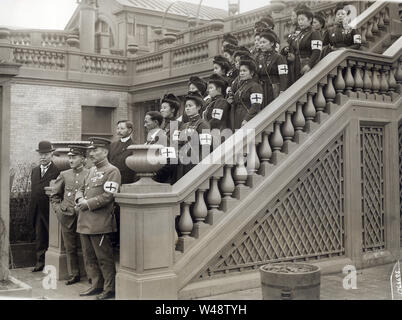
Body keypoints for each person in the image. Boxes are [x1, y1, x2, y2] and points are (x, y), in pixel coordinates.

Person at [75, 137, 121, 300]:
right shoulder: (91, 170)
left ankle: (110, 289)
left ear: (105, 152)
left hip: (100, 222)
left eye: (95, 150)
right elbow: (80, 188)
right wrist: (79, 199)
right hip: (84, 220)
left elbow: (109, 196)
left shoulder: (112, 171)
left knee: (104, 258)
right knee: (89, 257)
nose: (91, 153)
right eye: (90, 150)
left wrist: (87, 204)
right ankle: (96, 285)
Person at [50, 145, 89, 285]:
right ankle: (74, 274)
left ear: (83, 159)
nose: (71, 160)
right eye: (70, 157)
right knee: (70, 247)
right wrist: (58, 210)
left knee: (86, 246)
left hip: (84, 215)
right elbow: (54, 196)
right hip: (66, 215)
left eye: (74, 157)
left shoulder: (89, 174)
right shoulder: (64, 174)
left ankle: (91, 275)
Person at [29, 141, 60, 272]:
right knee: (39, 236)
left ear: (51, 154)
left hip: (50, 209)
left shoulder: (58, 171)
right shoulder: (35, 170)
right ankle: (40, 262)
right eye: (41, 154)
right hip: (37, 209)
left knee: (52, 236)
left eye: (46, 154)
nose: (43, 157)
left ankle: (51, 263)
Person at [108, 120, 135, 248]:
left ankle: (121, 240)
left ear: (129, 130)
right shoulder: (112, 146)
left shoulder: (134, 146)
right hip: (112, 182)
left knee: (121, 211)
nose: (119, 131)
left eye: (122, 128)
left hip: (126, 182)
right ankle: (112, 239)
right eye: (117, 128)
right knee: (109, 209)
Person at [177, 92, 211, 177]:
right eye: (186, 106)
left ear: (198, 107)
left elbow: (206, 147)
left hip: (195, 164)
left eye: (190, 106)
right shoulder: (184, 125)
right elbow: (178, 145)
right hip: (182, 165)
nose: (187, 109)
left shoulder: (203, 124)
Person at [288, 5, 323, 83]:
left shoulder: (314, 33)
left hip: (307, 65)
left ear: (310, 19)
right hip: (296, 66)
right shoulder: (299, 34)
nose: (300, 22)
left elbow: (317, 51)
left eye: (302, 19)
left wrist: (309, 65)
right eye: (299, 19)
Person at [255, 29, 288, 106]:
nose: (261, 45)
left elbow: (283, 76)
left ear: (272, 43)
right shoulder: (258, 57)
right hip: (262, 89)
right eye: (260, 43)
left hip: (273, 88)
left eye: (264, 42)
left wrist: (282, 90)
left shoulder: (279, 57)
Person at [232, 57, 264, 129]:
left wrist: (247, 119)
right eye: (240, 71)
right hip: (238, 117)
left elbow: (256, 105)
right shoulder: (241, 86)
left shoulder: (255, 86)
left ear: (251, 73)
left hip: (247, 118)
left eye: (244, 71)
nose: (241, 73)